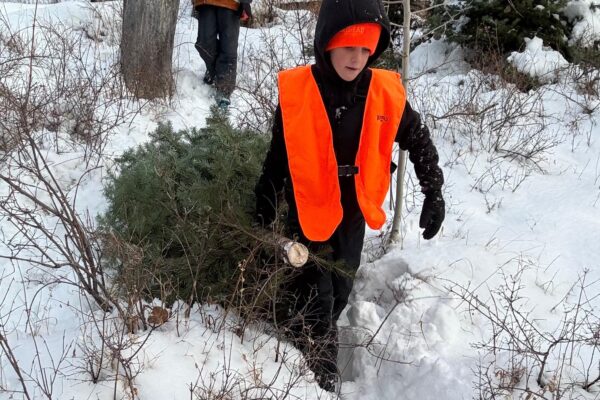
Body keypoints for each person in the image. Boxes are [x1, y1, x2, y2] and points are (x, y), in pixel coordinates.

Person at [254, 0, 445, 392]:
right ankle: (319, 377)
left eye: (365, 49)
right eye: (347, 47)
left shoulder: (383, 93)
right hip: (307, 207)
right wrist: (266, 199)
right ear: (327, 44)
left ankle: (306, 337)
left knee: (340, 287)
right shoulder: (300, 91)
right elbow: (279, 154)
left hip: (353, 210)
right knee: (315, 295)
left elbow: (417, 137)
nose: (357, 58)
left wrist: (433, 191)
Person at [192, 0, 252, 108]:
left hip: (232, 3)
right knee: (204, 44)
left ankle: (224, 89)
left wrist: (245, 2)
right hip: (205, 2)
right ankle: (215, 71)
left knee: (228, 47)